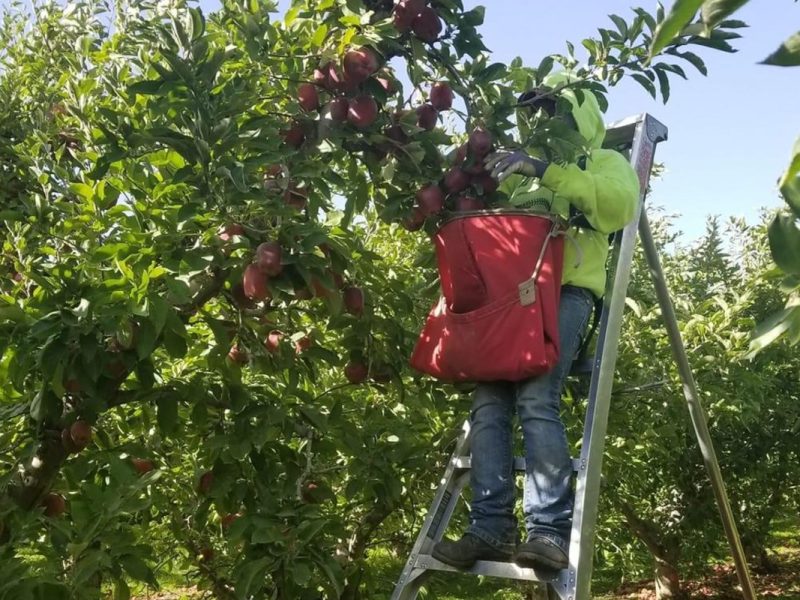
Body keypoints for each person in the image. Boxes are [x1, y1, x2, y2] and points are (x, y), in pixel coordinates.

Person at [431, 73, 640, 571]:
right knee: (488, 404)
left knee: (535, 397)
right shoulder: (518, 173)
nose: (549, 120)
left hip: (565, 293)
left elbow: (619, 207)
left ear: (579, 113)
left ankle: (546, 531)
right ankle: (490, 528)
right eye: (541, 112)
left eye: (558, 110)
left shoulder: (603, 162)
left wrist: (548, 170)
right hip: (511, 299)